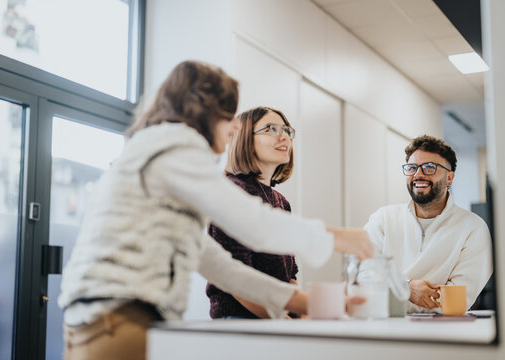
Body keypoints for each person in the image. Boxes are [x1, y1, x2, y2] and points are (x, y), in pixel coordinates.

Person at [58, 60, 373, 360]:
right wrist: (338, 238)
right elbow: (254, 224)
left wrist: (307, 302)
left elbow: (221, 267)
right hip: (118, 320)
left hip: (100, 322)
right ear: (204, 111)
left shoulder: (159, 156)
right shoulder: (174, 146)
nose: (235, 125)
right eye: (229, 115)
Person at [364, 135, 493, 313]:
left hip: (440, 333)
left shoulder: (474, 229)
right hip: (381, 329)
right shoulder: (383, 219)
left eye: (429, 168)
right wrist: (407, 288)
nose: (418, 175)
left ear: (449, 178)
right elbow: (362, 280)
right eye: (412, 168)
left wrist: (388, 290)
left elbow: (456, 302)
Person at [206, 106, 301, 319]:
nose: (284, 136)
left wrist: (301, 316)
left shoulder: (281, 203)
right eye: (271, 129)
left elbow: (290, 275)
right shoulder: (230, 192)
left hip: (278, 322)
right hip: (241, 324)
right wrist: (286, 322)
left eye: (286, 130)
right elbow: (237, 279)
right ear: (244, 139)